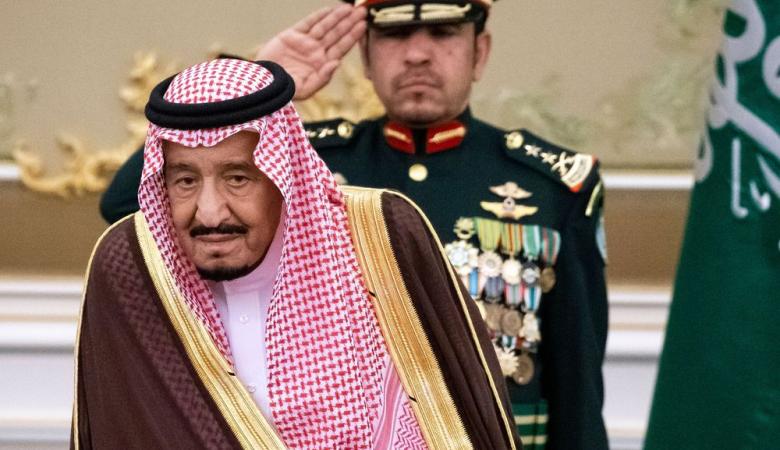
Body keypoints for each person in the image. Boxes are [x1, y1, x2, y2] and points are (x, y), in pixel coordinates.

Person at [99, 2, 609, 448]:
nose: (417, 54)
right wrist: (259, 85)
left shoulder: (552, 185)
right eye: (394, 35)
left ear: (480, 52)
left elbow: (577, 388)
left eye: (443, 33)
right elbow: (131, 208)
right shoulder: (306, 164)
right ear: (364, 56)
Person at [74, 57, 520, 449]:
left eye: (237, 178)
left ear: (283, 175)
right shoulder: (133, 266)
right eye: (185, 180)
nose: (209, 212)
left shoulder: (381, 238)